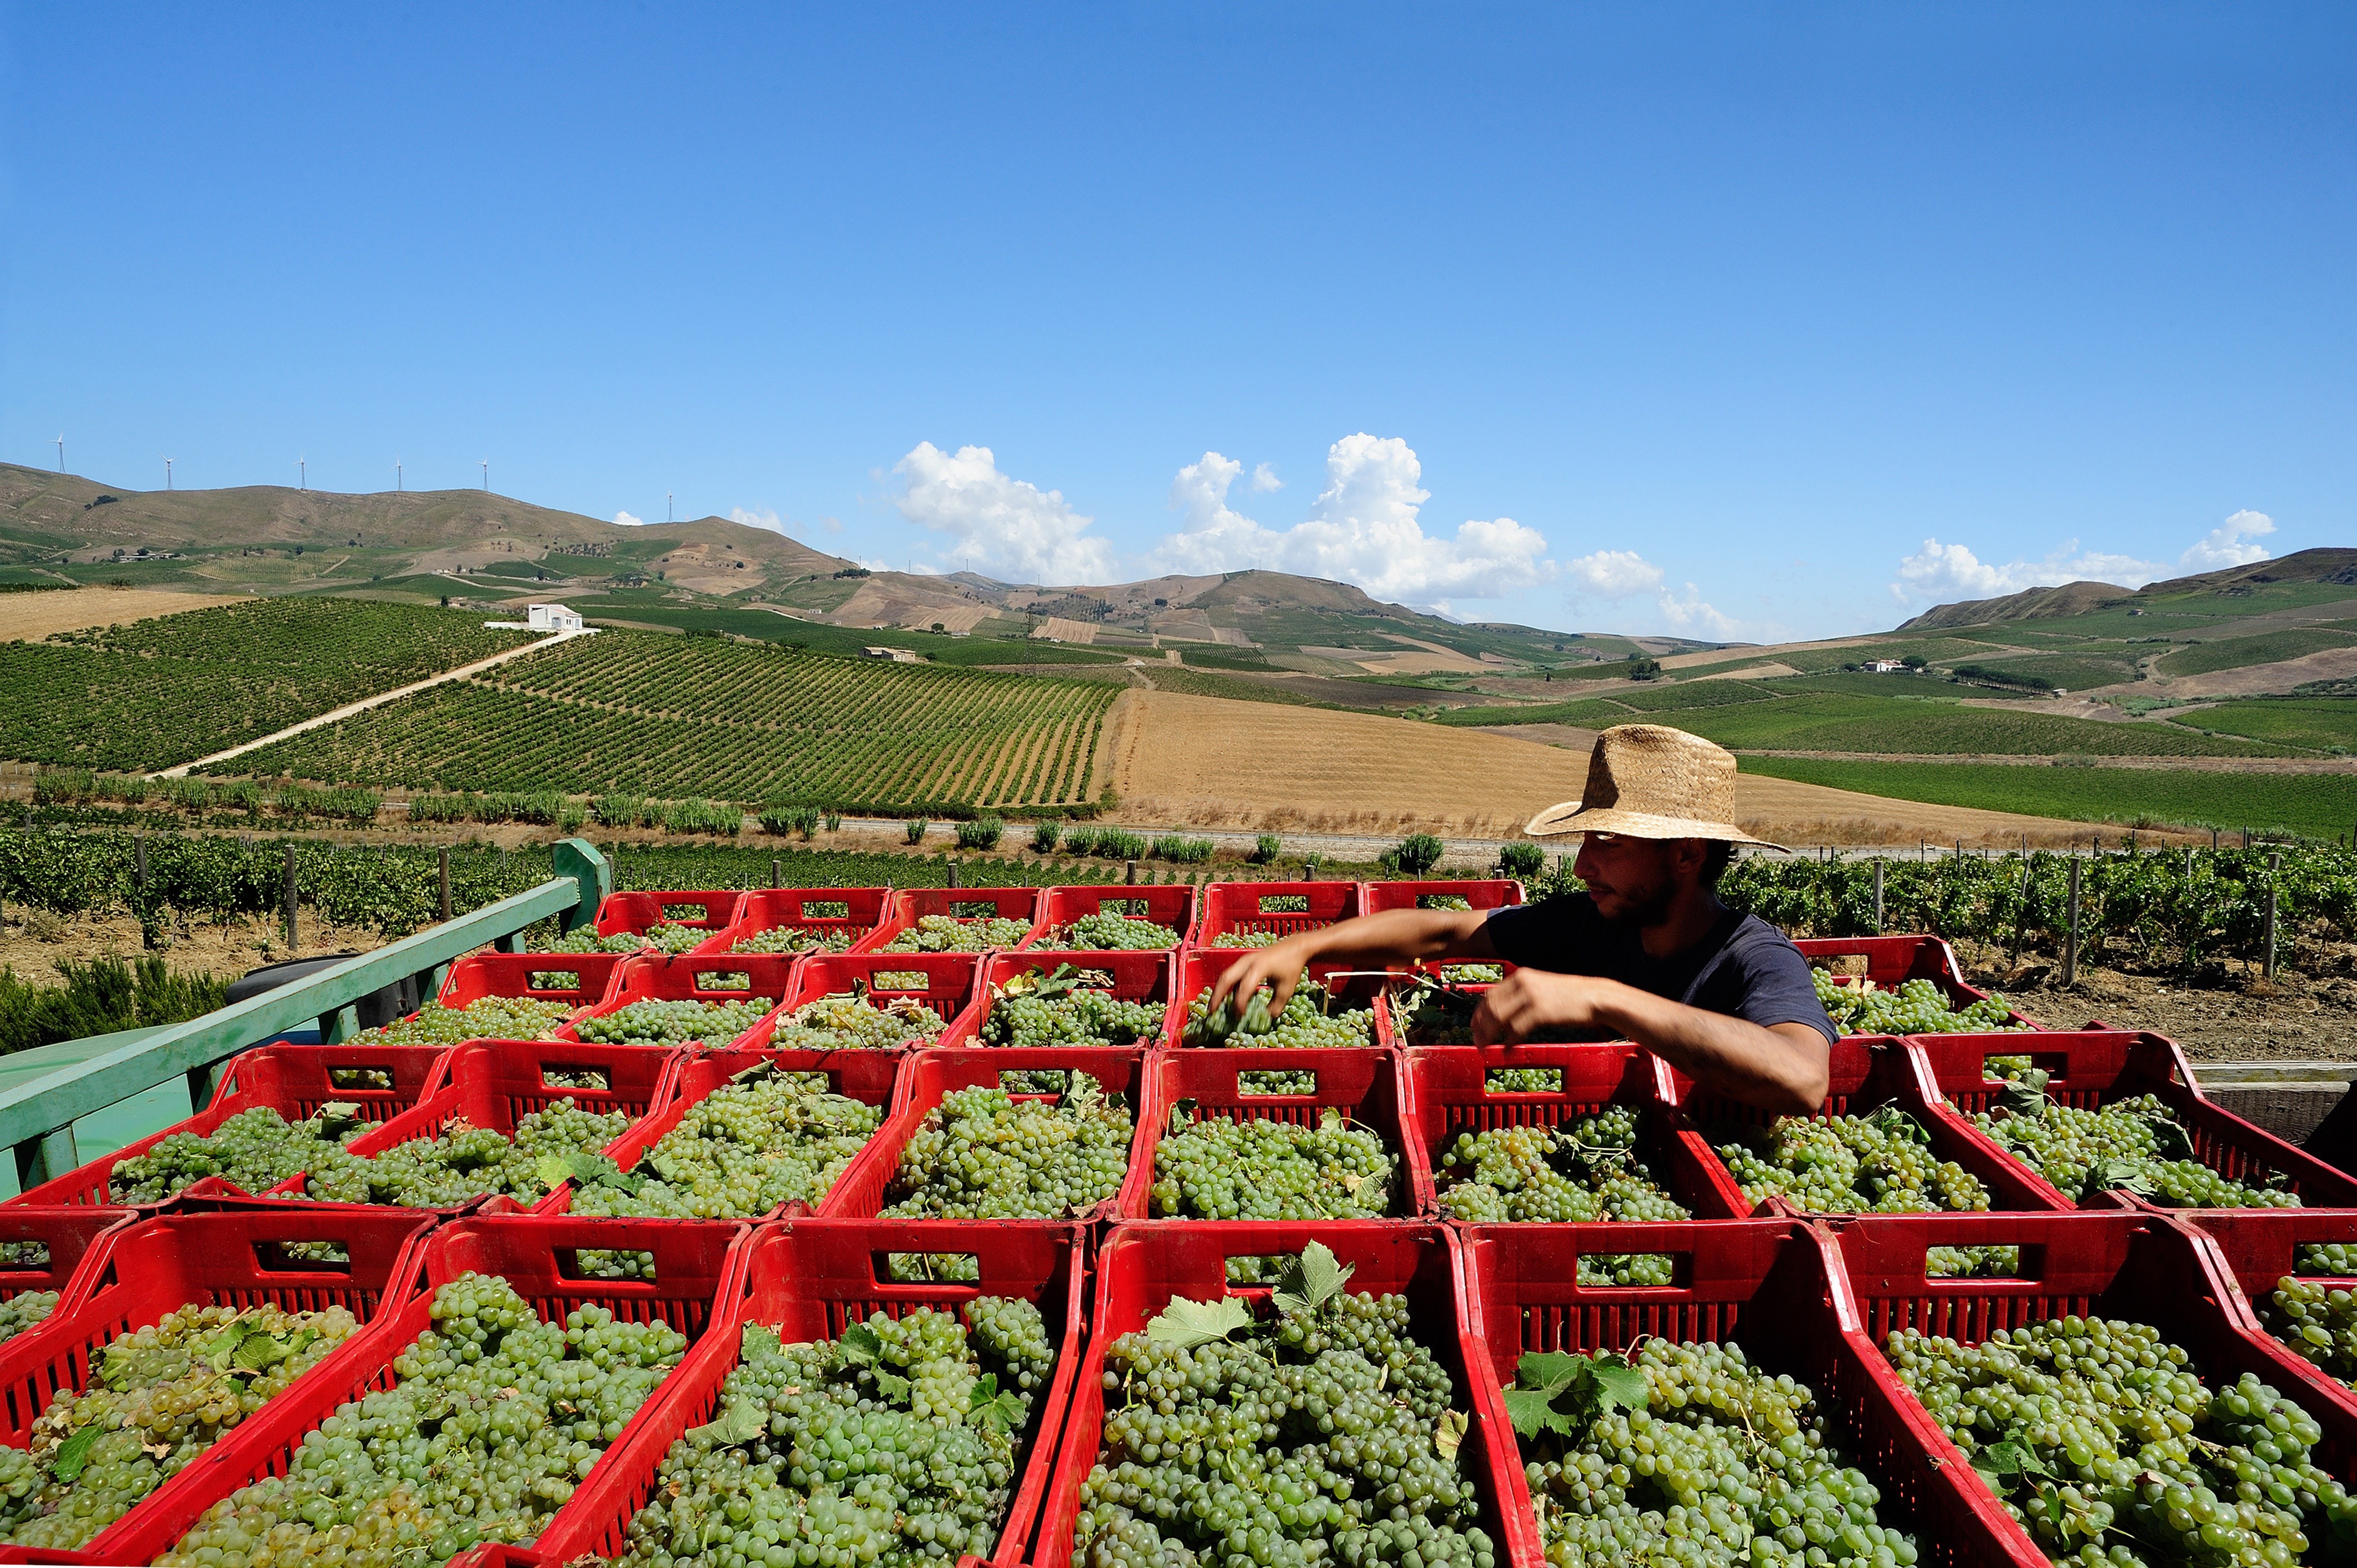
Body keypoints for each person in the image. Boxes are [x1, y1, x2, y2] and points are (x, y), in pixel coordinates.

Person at [1211, 723, 1833, 1113]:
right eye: (1586, 841)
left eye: (1608, 844)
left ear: (1686, 855)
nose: (1582, 865)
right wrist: (1304, 948)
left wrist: (1604, 1000)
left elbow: (1803, 1079)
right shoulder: (1590, 924)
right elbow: (1441, 930)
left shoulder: (1754, 957)